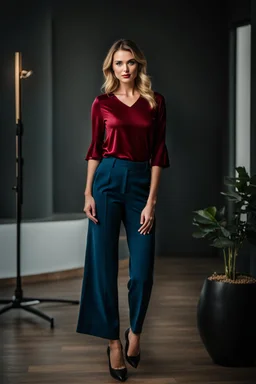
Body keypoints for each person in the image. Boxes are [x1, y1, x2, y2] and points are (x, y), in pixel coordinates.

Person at [76, 38, 170, 382]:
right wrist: (87, 192)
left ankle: (135, 333)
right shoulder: (101, 103)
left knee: (141, 271)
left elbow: (159, 152)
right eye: (119, 63)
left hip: (140, 185)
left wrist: (151, 201)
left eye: (130, 62)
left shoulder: (154, 102)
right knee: (103, 266)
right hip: (105, 183)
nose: (125, 68)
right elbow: (95, 150)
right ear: (111, 67)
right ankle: (113, 342)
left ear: (138, 65)